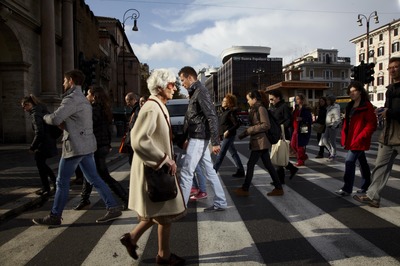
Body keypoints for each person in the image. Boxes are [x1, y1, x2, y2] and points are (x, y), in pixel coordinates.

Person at [32, 69, 122, 226]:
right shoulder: (83, 99)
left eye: (65, 80)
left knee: (61, 182)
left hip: (75, 146)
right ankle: (113, 207)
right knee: (94, 178)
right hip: (86, 145)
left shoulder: (71, 99)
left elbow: (55, 119)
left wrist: (43, 116)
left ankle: (55, 215)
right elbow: (76, 122)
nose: (63, 83)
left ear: (71, 81)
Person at [120, 69, 186, 265]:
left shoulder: (158, 105)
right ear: (160, 87)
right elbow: (139, 140)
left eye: (174, 84)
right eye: (171, 85)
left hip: (157, 169)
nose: (174, 88)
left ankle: (132, 239)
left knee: (159, 213)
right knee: (163, 214)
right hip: (154, 170)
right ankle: (163, 257)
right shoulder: (151, 107)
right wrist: (165, 159)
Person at [178, 66, 227, 212]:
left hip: (199, 138)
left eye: (182, 80)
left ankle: (180, 207)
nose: (182, 84)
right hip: (198, 136)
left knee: (187, 172)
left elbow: (211, 116)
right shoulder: (195, 92)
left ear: (190, 77)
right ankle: (221, 202)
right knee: (209, 171)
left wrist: (216, 142)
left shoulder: (200, 91)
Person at [354, 57, 400, 208]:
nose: (392, 70)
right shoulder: (390, 89)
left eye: (396, 67)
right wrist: (381, 111)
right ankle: (373, 196)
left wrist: (390, 112)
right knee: (380, 166)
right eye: (390, 68)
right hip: (387, 136)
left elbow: (393, 111)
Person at [73, 86, 129, 210]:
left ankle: (125, 198)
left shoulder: (94, 109)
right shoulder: (104, 109)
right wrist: (108, 144)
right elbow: (108, 129)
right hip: (102, 145)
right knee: (89, 172)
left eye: (88, 94)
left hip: (96, 145)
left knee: (103, 175)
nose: (86, 96)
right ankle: (84, 199)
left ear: (94, 96)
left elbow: (88, 125)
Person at [234, 90, 284, 197]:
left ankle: (245, 188)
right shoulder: (255, 109)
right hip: (259, 140)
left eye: (248, 99)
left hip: (261, 141)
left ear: (254, 99)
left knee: (251, 164)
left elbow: (266, 125)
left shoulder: (260, 108)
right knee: (268, 165)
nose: (247, 102)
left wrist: (249, 130)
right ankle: (278, 187)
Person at [334, 81, 377, 196]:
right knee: (362, 162)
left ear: (360, 92)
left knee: (349, 161)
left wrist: (361, 136)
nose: (352, 93)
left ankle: (347, 188)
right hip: (351, 138)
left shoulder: (366, 106)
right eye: (350, 91)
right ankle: (366, 185)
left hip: (359, 139)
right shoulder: (349, 106)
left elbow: (372, 124)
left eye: (354, 91)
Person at [21, 95, 58, 196]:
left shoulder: (35, 114)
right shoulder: (43, 110)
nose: (24, 109)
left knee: (40, 164)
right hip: (49, 140)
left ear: (29, 104)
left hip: (43, 143)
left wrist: (32, 147)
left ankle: (46, 188)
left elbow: (39, 133)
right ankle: (55, 183)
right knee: (41, 164)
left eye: (24, 107)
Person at [268, 90, 298, 184]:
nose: (271, 101)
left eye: (272, 99)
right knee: (278, 156)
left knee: (278, 156)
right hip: (276, 134)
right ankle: (291, 170)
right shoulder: (274, 107)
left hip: (282, 135)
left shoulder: (284, 106)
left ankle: (281, 179)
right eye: (270, 99)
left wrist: (280, 129)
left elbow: (288, 121)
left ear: (278, 98)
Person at [213, 93, 245, 178]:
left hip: (229, 136)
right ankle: (241, 170)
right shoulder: (224, 111)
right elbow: (222, 125)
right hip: (225, 136)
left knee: (221, 153)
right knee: (233, 153)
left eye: (224, 101)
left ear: (229, 102)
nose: (222, 102)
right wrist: (220, 135)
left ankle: (213, 172)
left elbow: (237, 123)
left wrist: (228, 131)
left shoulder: (231, 112)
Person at [291, 94, 312, 166]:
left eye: (298, 99)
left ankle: (300, 160)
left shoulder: (305, 109)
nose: (296, 100)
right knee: (293, 144)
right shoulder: (296, 108)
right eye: (296, 99)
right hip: (295, 128)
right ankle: (303, 156)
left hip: (302, 127)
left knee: (299, 145)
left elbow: (309, 120)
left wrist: (302, 119)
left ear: (302, 100)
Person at [321, 95, 341, 161]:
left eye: (328, 100)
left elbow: (338, 119)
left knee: (332, 141)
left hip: (333, 126)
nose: (327, 101)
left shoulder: (335, 108)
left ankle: (333, 154)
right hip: (328, 125)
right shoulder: (329, 107)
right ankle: (331, 152)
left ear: (331, 101)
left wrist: (333, 126)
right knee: (324, 140)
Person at [124, 92, 140, 165]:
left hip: (135, 142)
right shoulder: (135, 110)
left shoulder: (137, 110)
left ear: (133, 100)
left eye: (128, 101)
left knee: (133, 162)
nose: (127, 104)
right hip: (133, 142)